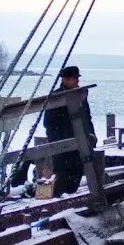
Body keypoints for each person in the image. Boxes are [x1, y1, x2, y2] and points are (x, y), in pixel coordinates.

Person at [43, 65, 96, 195]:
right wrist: (58, 142)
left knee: (78, 170)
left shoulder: (80, 94)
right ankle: (58, 199)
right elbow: (49, 124)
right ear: (65, 79)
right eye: (74, 78)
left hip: (80, 141)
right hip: (62, 141)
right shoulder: (55, 97)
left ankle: (71, 195)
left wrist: (91, 134)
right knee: (62, 172)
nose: (77, 81)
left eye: (77, 78)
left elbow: (87, 117)